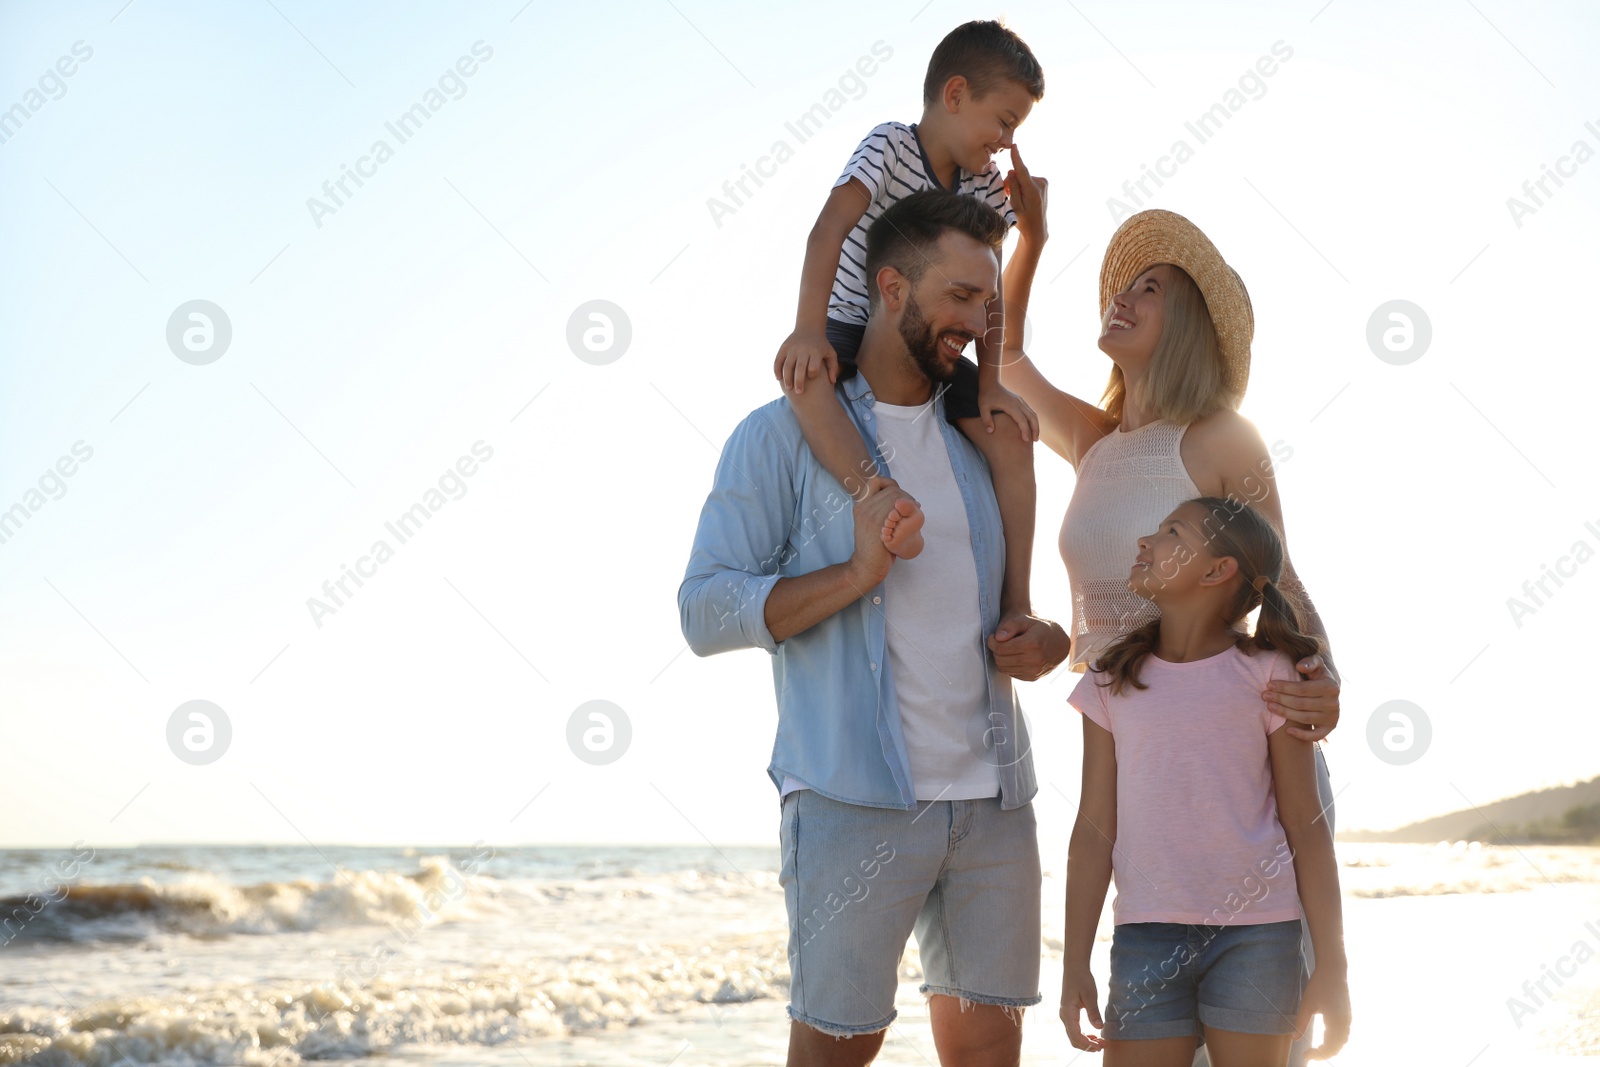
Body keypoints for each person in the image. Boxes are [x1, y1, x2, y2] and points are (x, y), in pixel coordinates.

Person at [679, 189, 1071, 1067]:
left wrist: (1046, 639)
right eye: (961, 297)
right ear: (892, 288)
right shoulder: (780, 437)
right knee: (833, 1054)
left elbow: (1016, 608)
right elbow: (703, 609)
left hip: (995, 803)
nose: (978, 321)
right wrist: (856, 575)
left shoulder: (983, 440)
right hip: (853, 803)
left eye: (989, 301)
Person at [997, 204, 1342, 1067]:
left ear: (1184, 320)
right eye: (1122, 284)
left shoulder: (1223, 439)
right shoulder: (1093, 439)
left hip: (1242, 757)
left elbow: (1279, 579)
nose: (1123, 296)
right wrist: (1030, 244)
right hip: (1135, 744)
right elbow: (1002, 359)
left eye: (1148, 289)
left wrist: (1325, 679)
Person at [773, 18, 1047, 634]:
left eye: (1016, 128)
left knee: (1009, 434)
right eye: (1003, 121)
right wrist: (808, 328)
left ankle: (1016, 605)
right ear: (955, 95)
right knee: (808, 380)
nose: (1007, 141)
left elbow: (992, 296)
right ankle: (881, 497)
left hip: (938, 346)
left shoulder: (985, 188)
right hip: (853, 321)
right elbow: (829, 228)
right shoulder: (891, 145)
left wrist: (996, 382)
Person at [1059, 497, 1352, 1064]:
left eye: (1172, 532)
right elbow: (1094, 830)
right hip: (1145, 937)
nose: (1146, 540)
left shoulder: (1271, 673)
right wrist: (1075, 965)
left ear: (1218, 571)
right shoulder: (1109, 679)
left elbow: (1307, 829)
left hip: (1259, 938)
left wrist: (1333, 970)